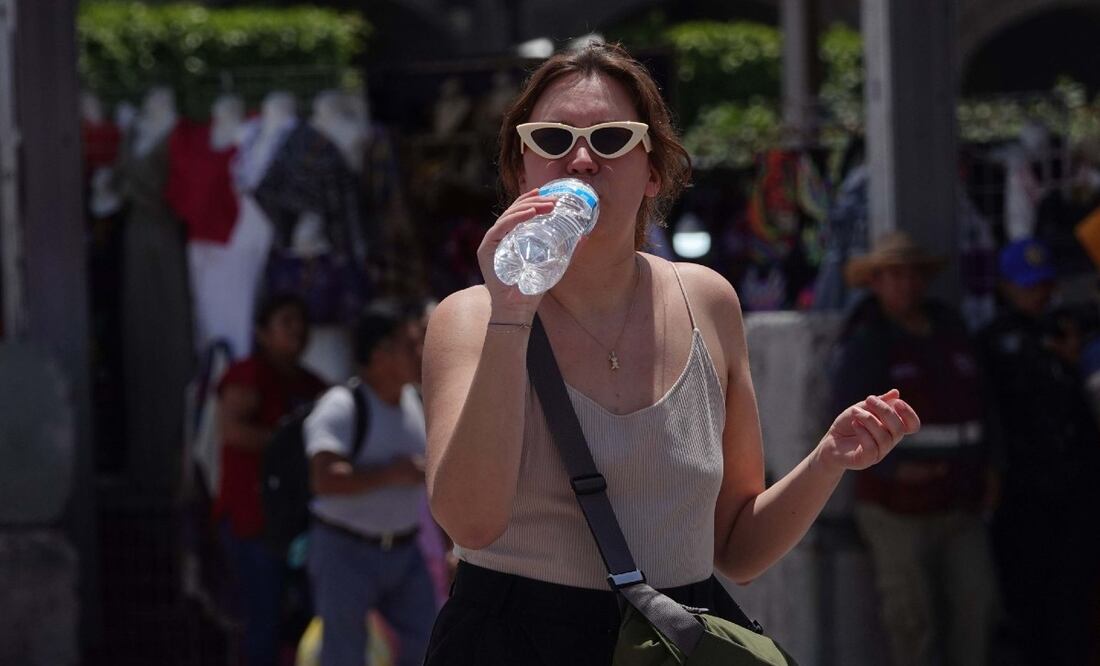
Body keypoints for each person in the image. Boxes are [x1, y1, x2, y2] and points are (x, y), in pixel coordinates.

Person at [420, 41, 921, 665]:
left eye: (610, 139)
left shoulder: (706, 300)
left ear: (652, 169)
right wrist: (513, 314)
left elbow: (736, 547)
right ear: (521, 169)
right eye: (550, 139)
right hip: (515, 639)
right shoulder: (469, 317)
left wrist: (827, 460)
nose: (579, 159)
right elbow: (469, 524)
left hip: (665, 643)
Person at [830, 231, 1000, 666]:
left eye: (913, 275)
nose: (905, 284)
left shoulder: (951, 330)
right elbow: (845, 421)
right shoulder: (866, 341)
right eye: (894, 275)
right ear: (876, 282)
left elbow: (986, 402)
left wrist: (993, 470)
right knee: (911, 619)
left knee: (977, 606)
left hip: (960, 503)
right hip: (895, 509)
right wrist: (891, 471)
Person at [977, 238, 1100, 666]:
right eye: (1028, 286)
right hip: (1021, 494)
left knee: (1075, 600)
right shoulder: (994, 342)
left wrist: (1076, 357)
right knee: (1027, 602)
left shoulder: (1073, 334)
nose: (1039, 295)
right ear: (1007, 287)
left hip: (1077, 492)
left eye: (1044, 285)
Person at [303, 301, 437, 666]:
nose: (420, 353)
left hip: (405, 552)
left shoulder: (416, 403)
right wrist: (390, 474)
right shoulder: (341, 405)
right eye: (411, 344)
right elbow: (324, 479)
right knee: (344, 653)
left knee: (431, 642)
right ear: (381, 353)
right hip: (345, 551)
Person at [215, 292, 327, 666]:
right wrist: (290, 445)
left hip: (299, 526)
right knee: (261, 625)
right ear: (262, 332)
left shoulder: (313, 386)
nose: (297, 330)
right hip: (253, 523)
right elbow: (232, 432)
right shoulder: (247, 376)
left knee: (304, 624)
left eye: (301, 322)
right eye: (286, 322)